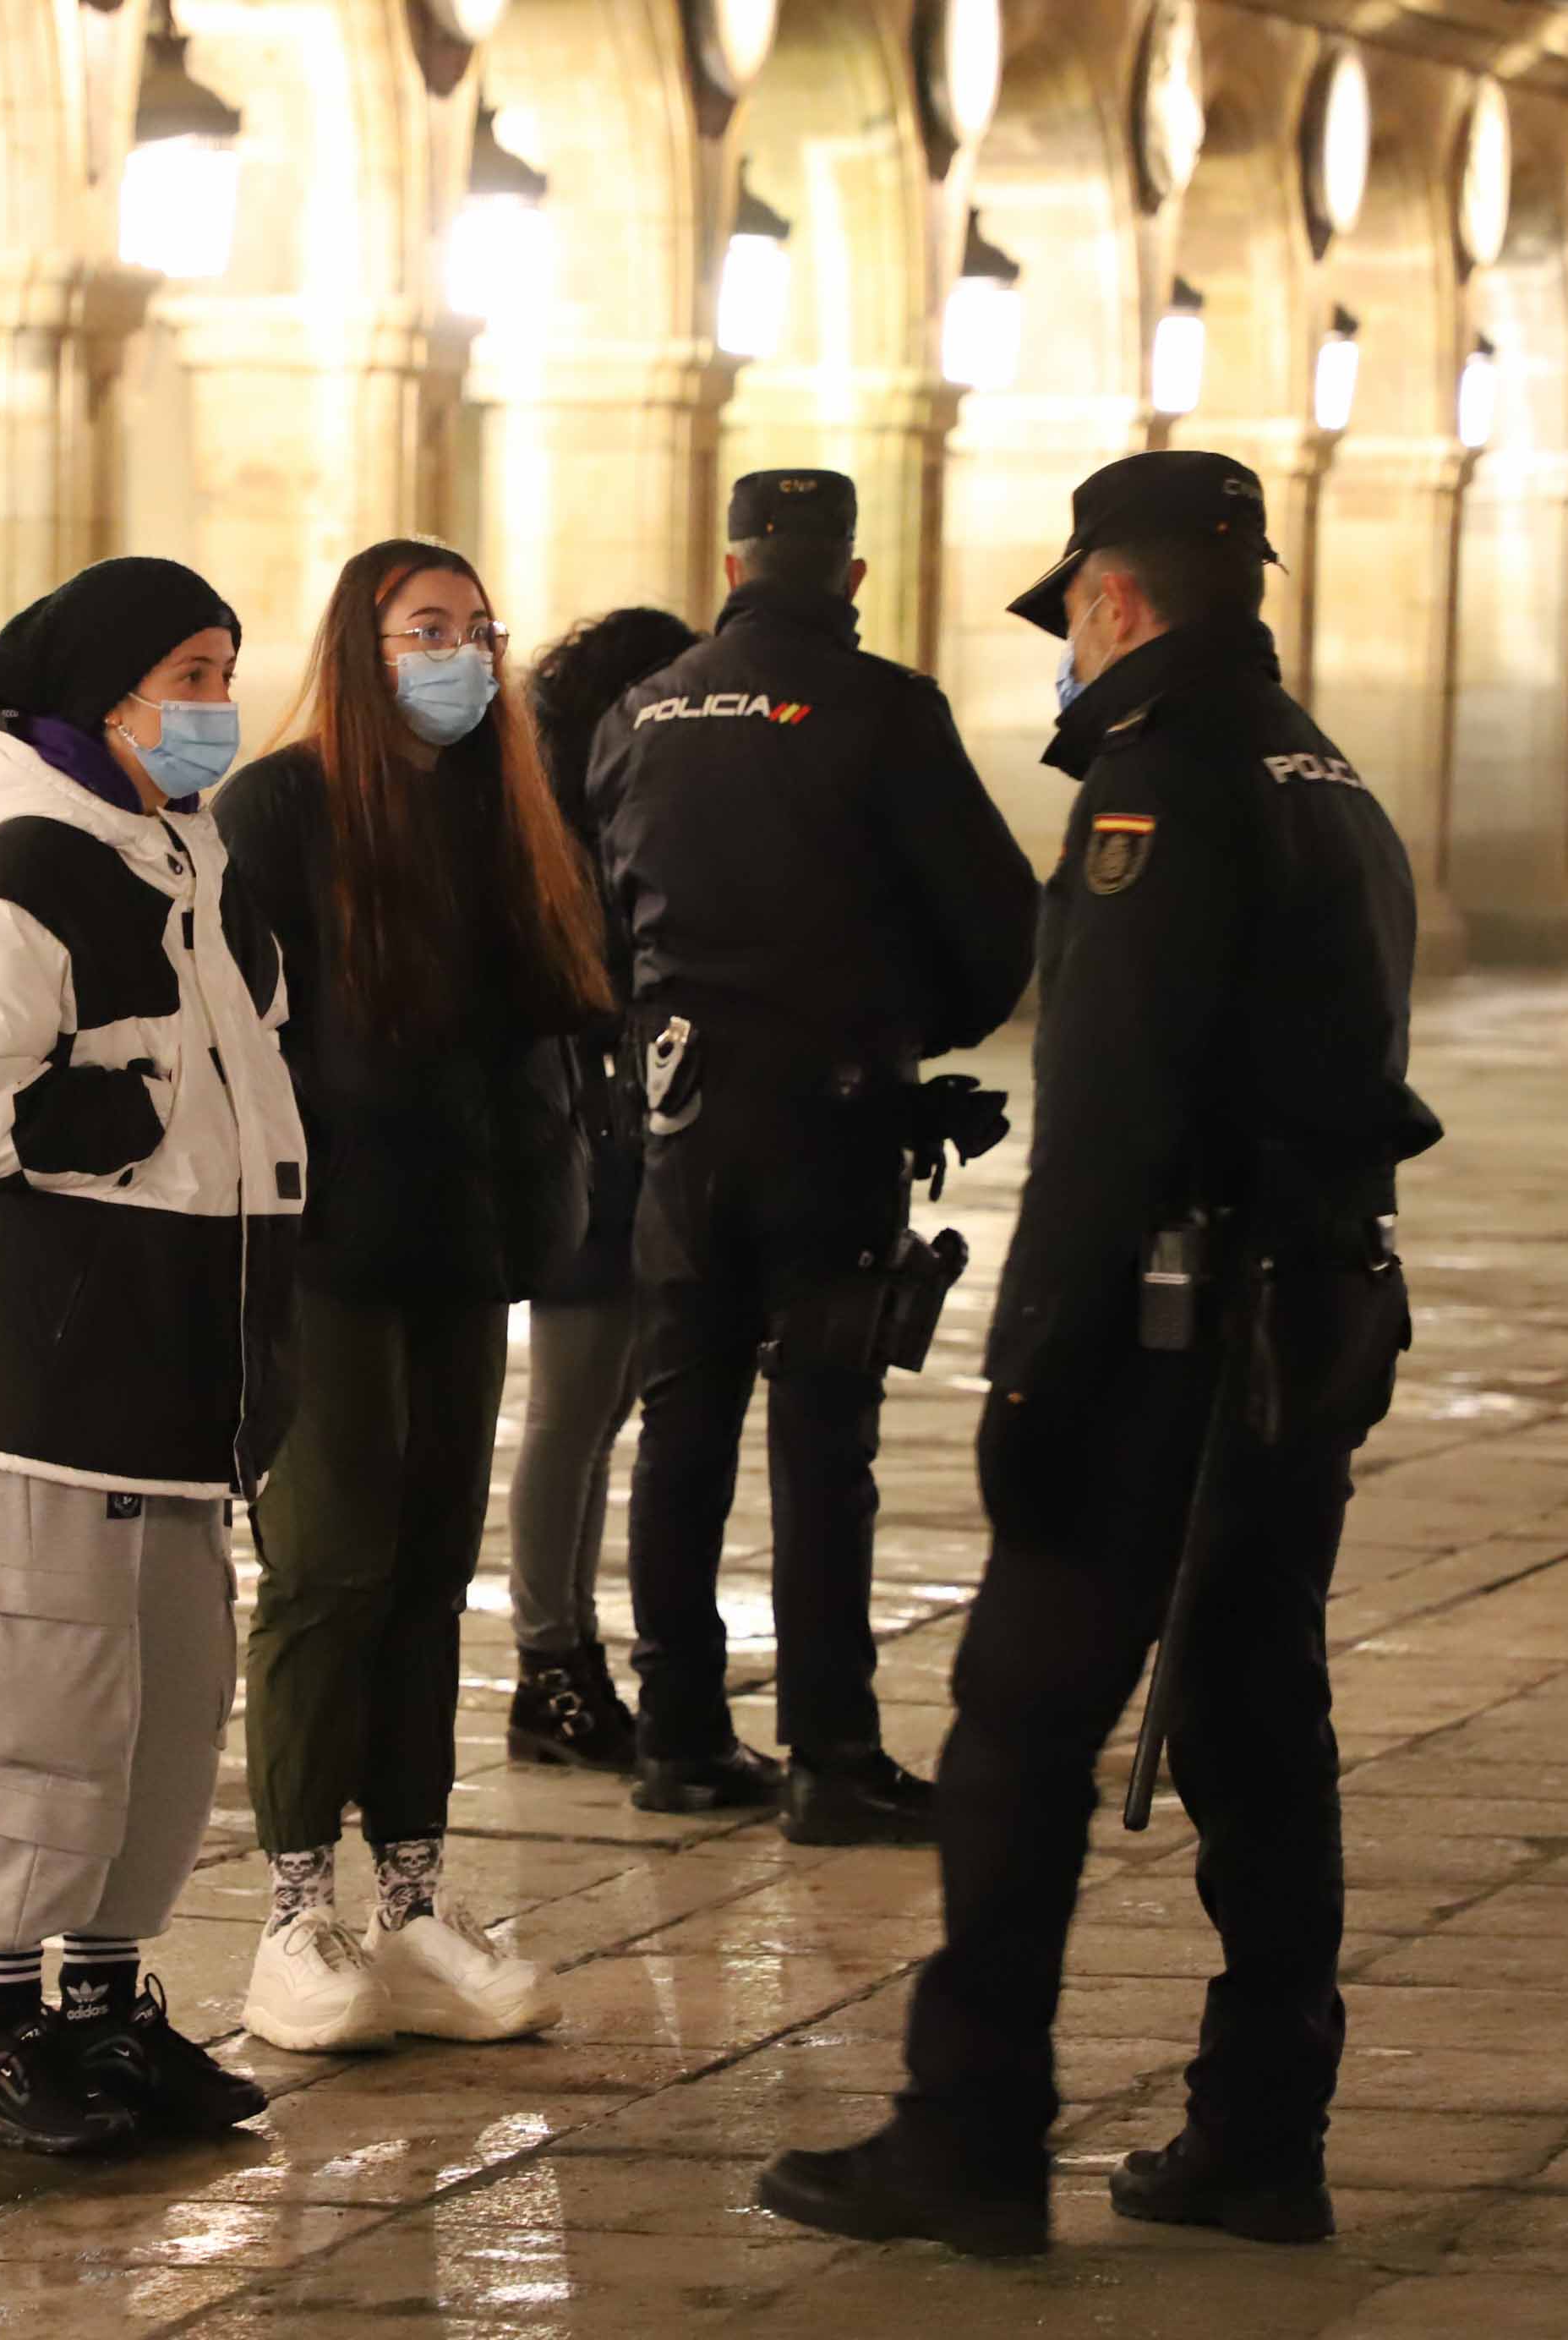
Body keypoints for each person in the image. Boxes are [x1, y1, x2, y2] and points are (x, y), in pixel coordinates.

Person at [757, 451, 1444, 2257]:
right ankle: (1257, 2128)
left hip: (1169, 1333)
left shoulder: (1159, 783)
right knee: (1255, 1723)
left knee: (1016, 1729)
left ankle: (967, 2133)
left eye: (1071, 615)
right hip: (1307, 1312)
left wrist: (1027, 1374)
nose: (1066, 650)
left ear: (1114, 601)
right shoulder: (1321, 765)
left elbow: (1112, 1113)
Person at [0, 555, 307, 2156]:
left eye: (224, 670)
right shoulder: (30, 867)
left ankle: (109, 2006)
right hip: (76, 1364)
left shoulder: (188, 860)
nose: (216, 705)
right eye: (189, 675)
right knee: (58, 1699)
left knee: (174, 1699)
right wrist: (128, 1115)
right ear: (105, 696)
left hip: (192, 1361)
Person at [585, 469, 1041, 1846]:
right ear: (848, 575)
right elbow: (993, 908)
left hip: (677, 1110)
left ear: (731, 566)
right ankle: (831, 1755)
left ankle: (675, 1735)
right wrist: (915, 1029)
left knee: (680, 1424)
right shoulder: (885, 709)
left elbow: (599, 899)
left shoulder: (639, 710)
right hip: (830, 1111)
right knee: (824, 1433)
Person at [215, 538, 615, 2053]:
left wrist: (544, 1219)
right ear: (362, 648)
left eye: (476, 629)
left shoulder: (507, 810)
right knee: (330, 1565)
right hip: (323, 1254)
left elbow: (544, 1037)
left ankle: (415, 1898)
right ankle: (293, 1913)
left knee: (437, 1569)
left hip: (464, 1251)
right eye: (424, 630)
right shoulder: (282, 807)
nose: (460, 656)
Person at [506, 605, 702, 1774]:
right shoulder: (553, 833)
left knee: (602, 1414)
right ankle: (550, 1667)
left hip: (637, 1136)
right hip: (590, 1141)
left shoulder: (631, 814)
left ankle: (569, 1654)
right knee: (571, 1415)